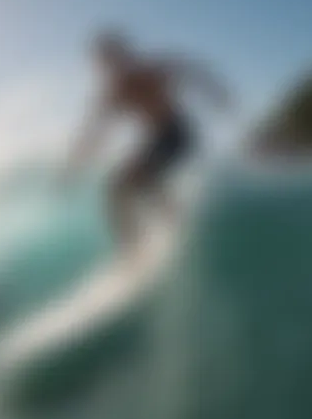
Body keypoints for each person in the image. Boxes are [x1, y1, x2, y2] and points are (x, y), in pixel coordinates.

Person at [63, 30, 231, 254]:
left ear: (125, 55)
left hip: (179, 132)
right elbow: (94, 132)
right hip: (156, 138)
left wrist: (215, 92)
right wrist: (73, 166)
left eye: (116, 58)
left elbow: (187, 68)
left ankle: (174, 221)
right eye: (106, 63)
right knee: (114, 190)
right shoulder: (114, 93)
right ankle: (134, 247)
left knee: (141, 180)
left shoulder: (149, 71)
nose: (113, 66)